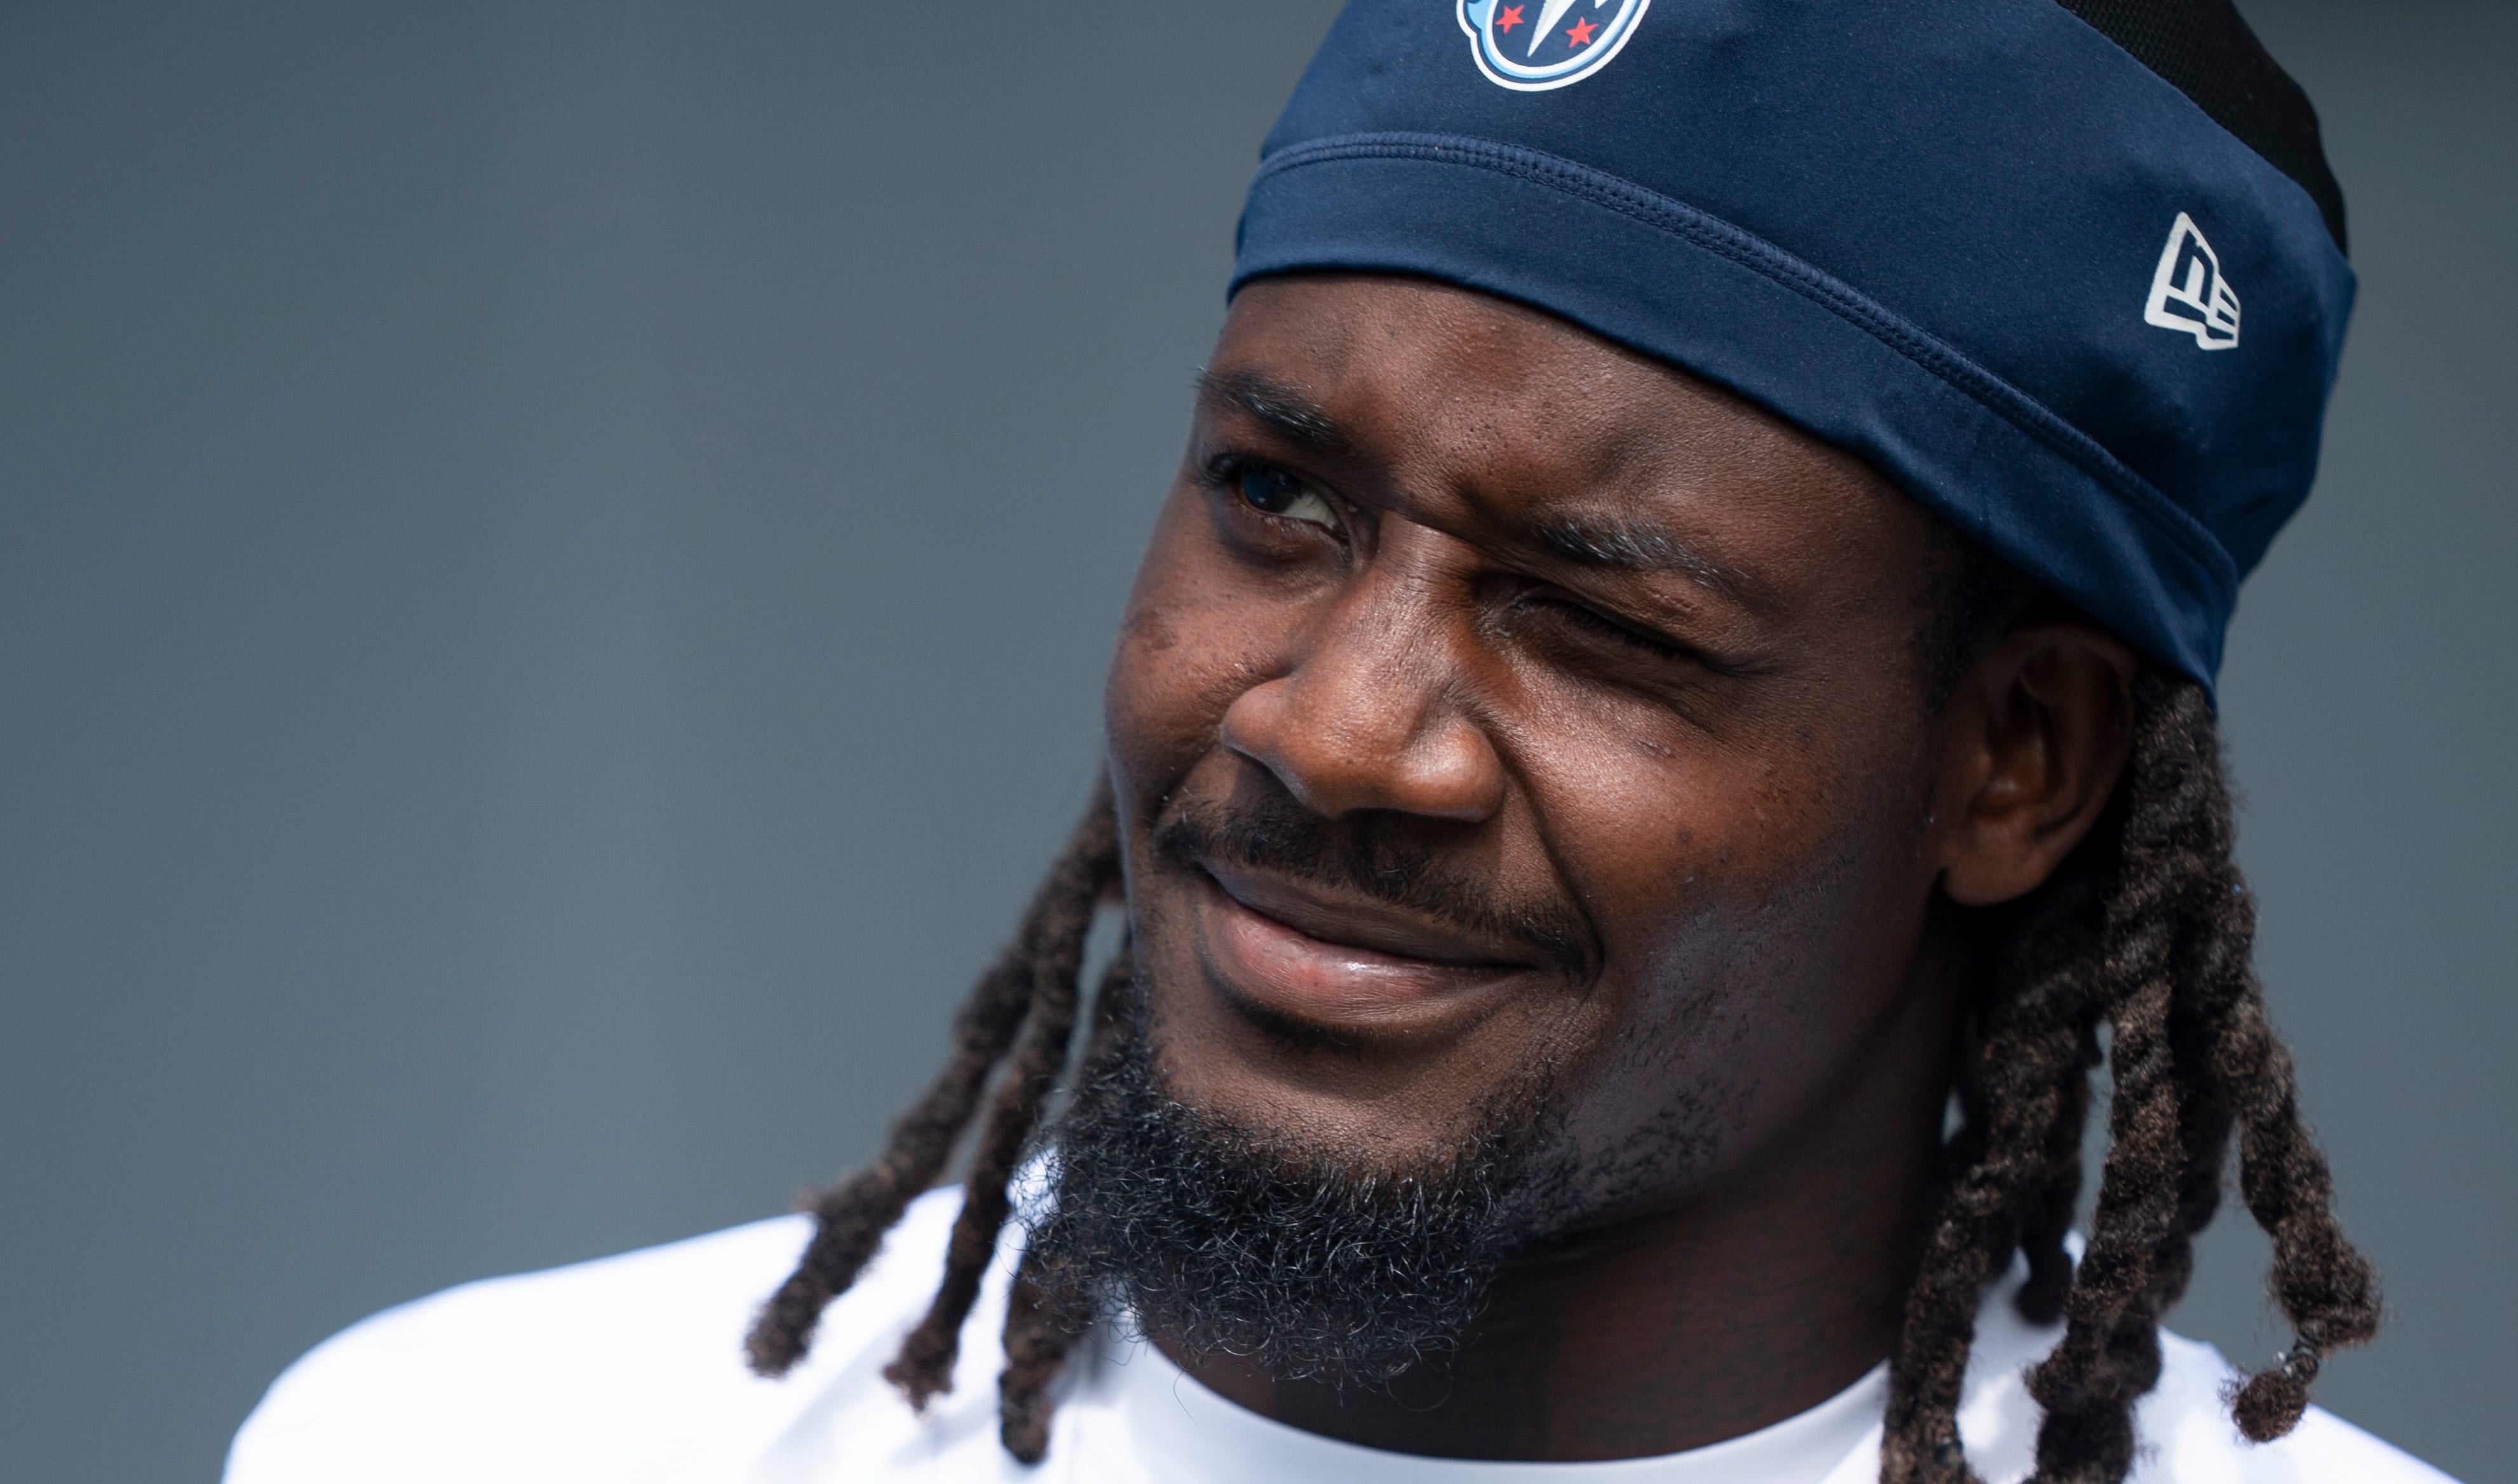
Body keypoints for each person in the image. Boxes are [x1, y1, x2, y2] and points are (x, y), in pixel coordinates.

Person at [225, 1, 2461, 1481]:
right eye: (1277, 502)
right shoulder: (488, 1439)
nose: (1330, 729)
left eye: (1598, 618)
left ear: (2012, 766)